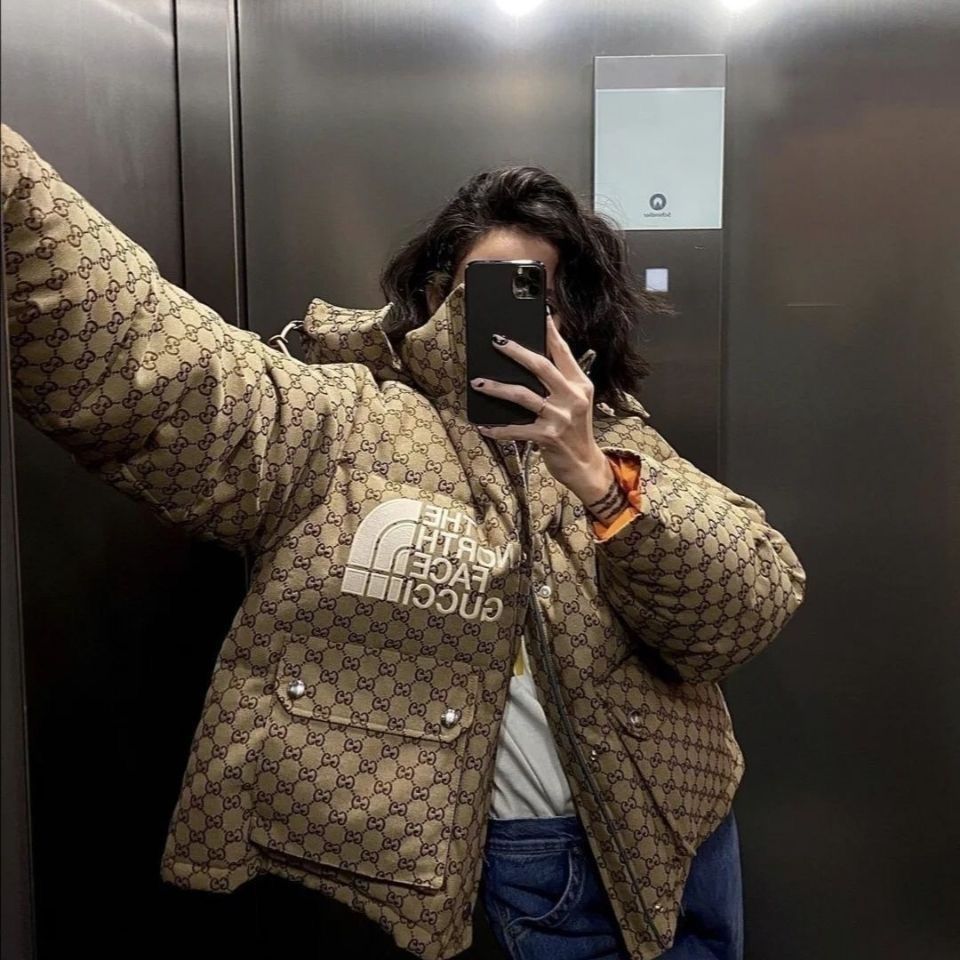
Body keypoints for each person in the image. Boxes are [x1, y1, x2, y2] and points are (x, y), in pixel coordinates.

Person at [1, 122, 806, 960]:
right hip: (522, 865)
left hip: (690, 837)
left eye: (538, 294)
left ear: (577, 314)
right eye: (484, 290)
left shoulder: (621, 443)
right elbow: (159, 362)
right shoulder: (346, 427)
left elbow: (744, 613)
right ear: (434, 297)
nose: (510, 319)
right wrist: (15, 184)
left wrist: (598, 479)